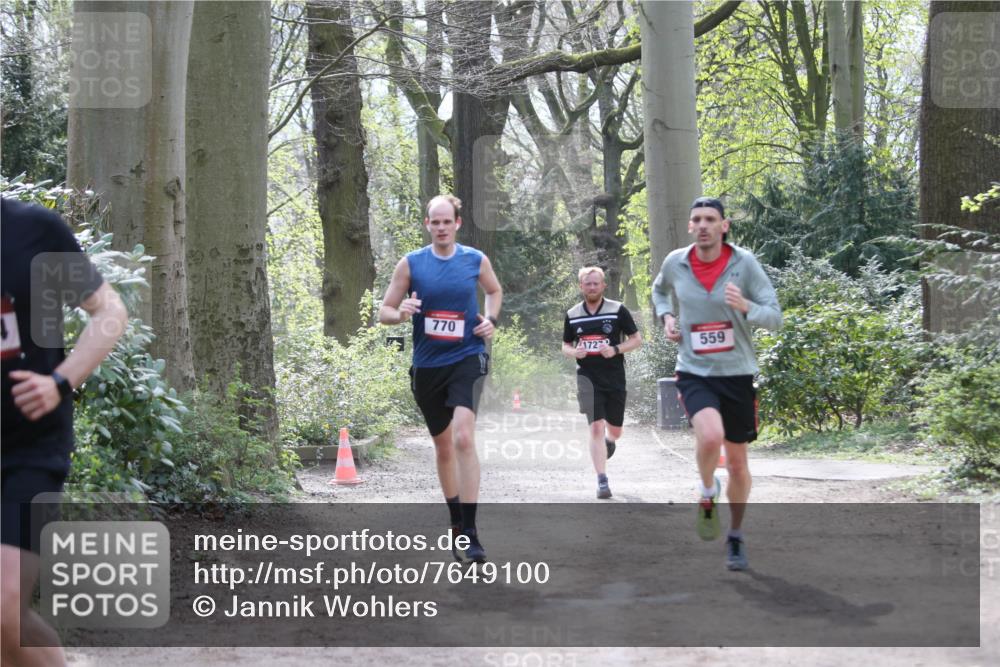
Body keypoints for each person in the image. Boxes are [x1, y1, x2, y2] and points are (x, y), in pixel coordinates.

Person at [2, 196, 128, 666]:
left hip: (27, 448)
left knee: (4, 608)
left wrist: (59, 381)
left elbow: (109, 312)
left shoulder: (34, 231)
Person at [651, 197, 782, 571]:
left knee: (738, 465)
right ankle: (708, 491)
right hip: (694, 370)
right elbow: (660, 291)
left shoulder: (746, 264)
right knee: (709, 437)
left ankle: (736, 535)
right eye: (697, 219)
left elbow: (775, 317)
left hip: (737, 372)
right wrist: (666, 317)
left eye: (711, 219)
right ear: (690, 226)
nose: (703, 225)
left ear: (724, 226)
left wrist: (745, 307)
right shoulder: (675, 263)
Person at [378, 194, 502, 564]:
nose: (442, 227)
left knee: (464, 437)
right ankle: (456, 524)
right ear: (427, 225)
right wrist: (401, 313)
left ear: (458, 224)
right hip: (428, 366)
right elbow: (384, 311)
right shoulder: (411, 264)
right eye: (436, 222)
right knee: (444, 447)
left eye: (448, 221)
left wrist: (489, 320)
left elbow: (494, 291)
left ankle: (473, 532)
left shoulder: (474, 260)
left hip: (467, 357)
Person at [562, 267, 642, 499]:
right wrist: (574, 352)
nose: (592, 287)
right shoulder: (573, 314)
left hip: (614, 378)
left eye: (596, 283)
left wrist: (616, 349)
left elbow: (636, 339)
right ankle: (602, 481)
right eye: (588, 284)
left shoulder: (617, 310)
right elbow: (565, 345)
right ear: (581, 286)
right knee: (596, 426)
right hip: (587, 378)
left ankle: (610, 440)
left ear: (603, 285)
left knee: (614, 430)